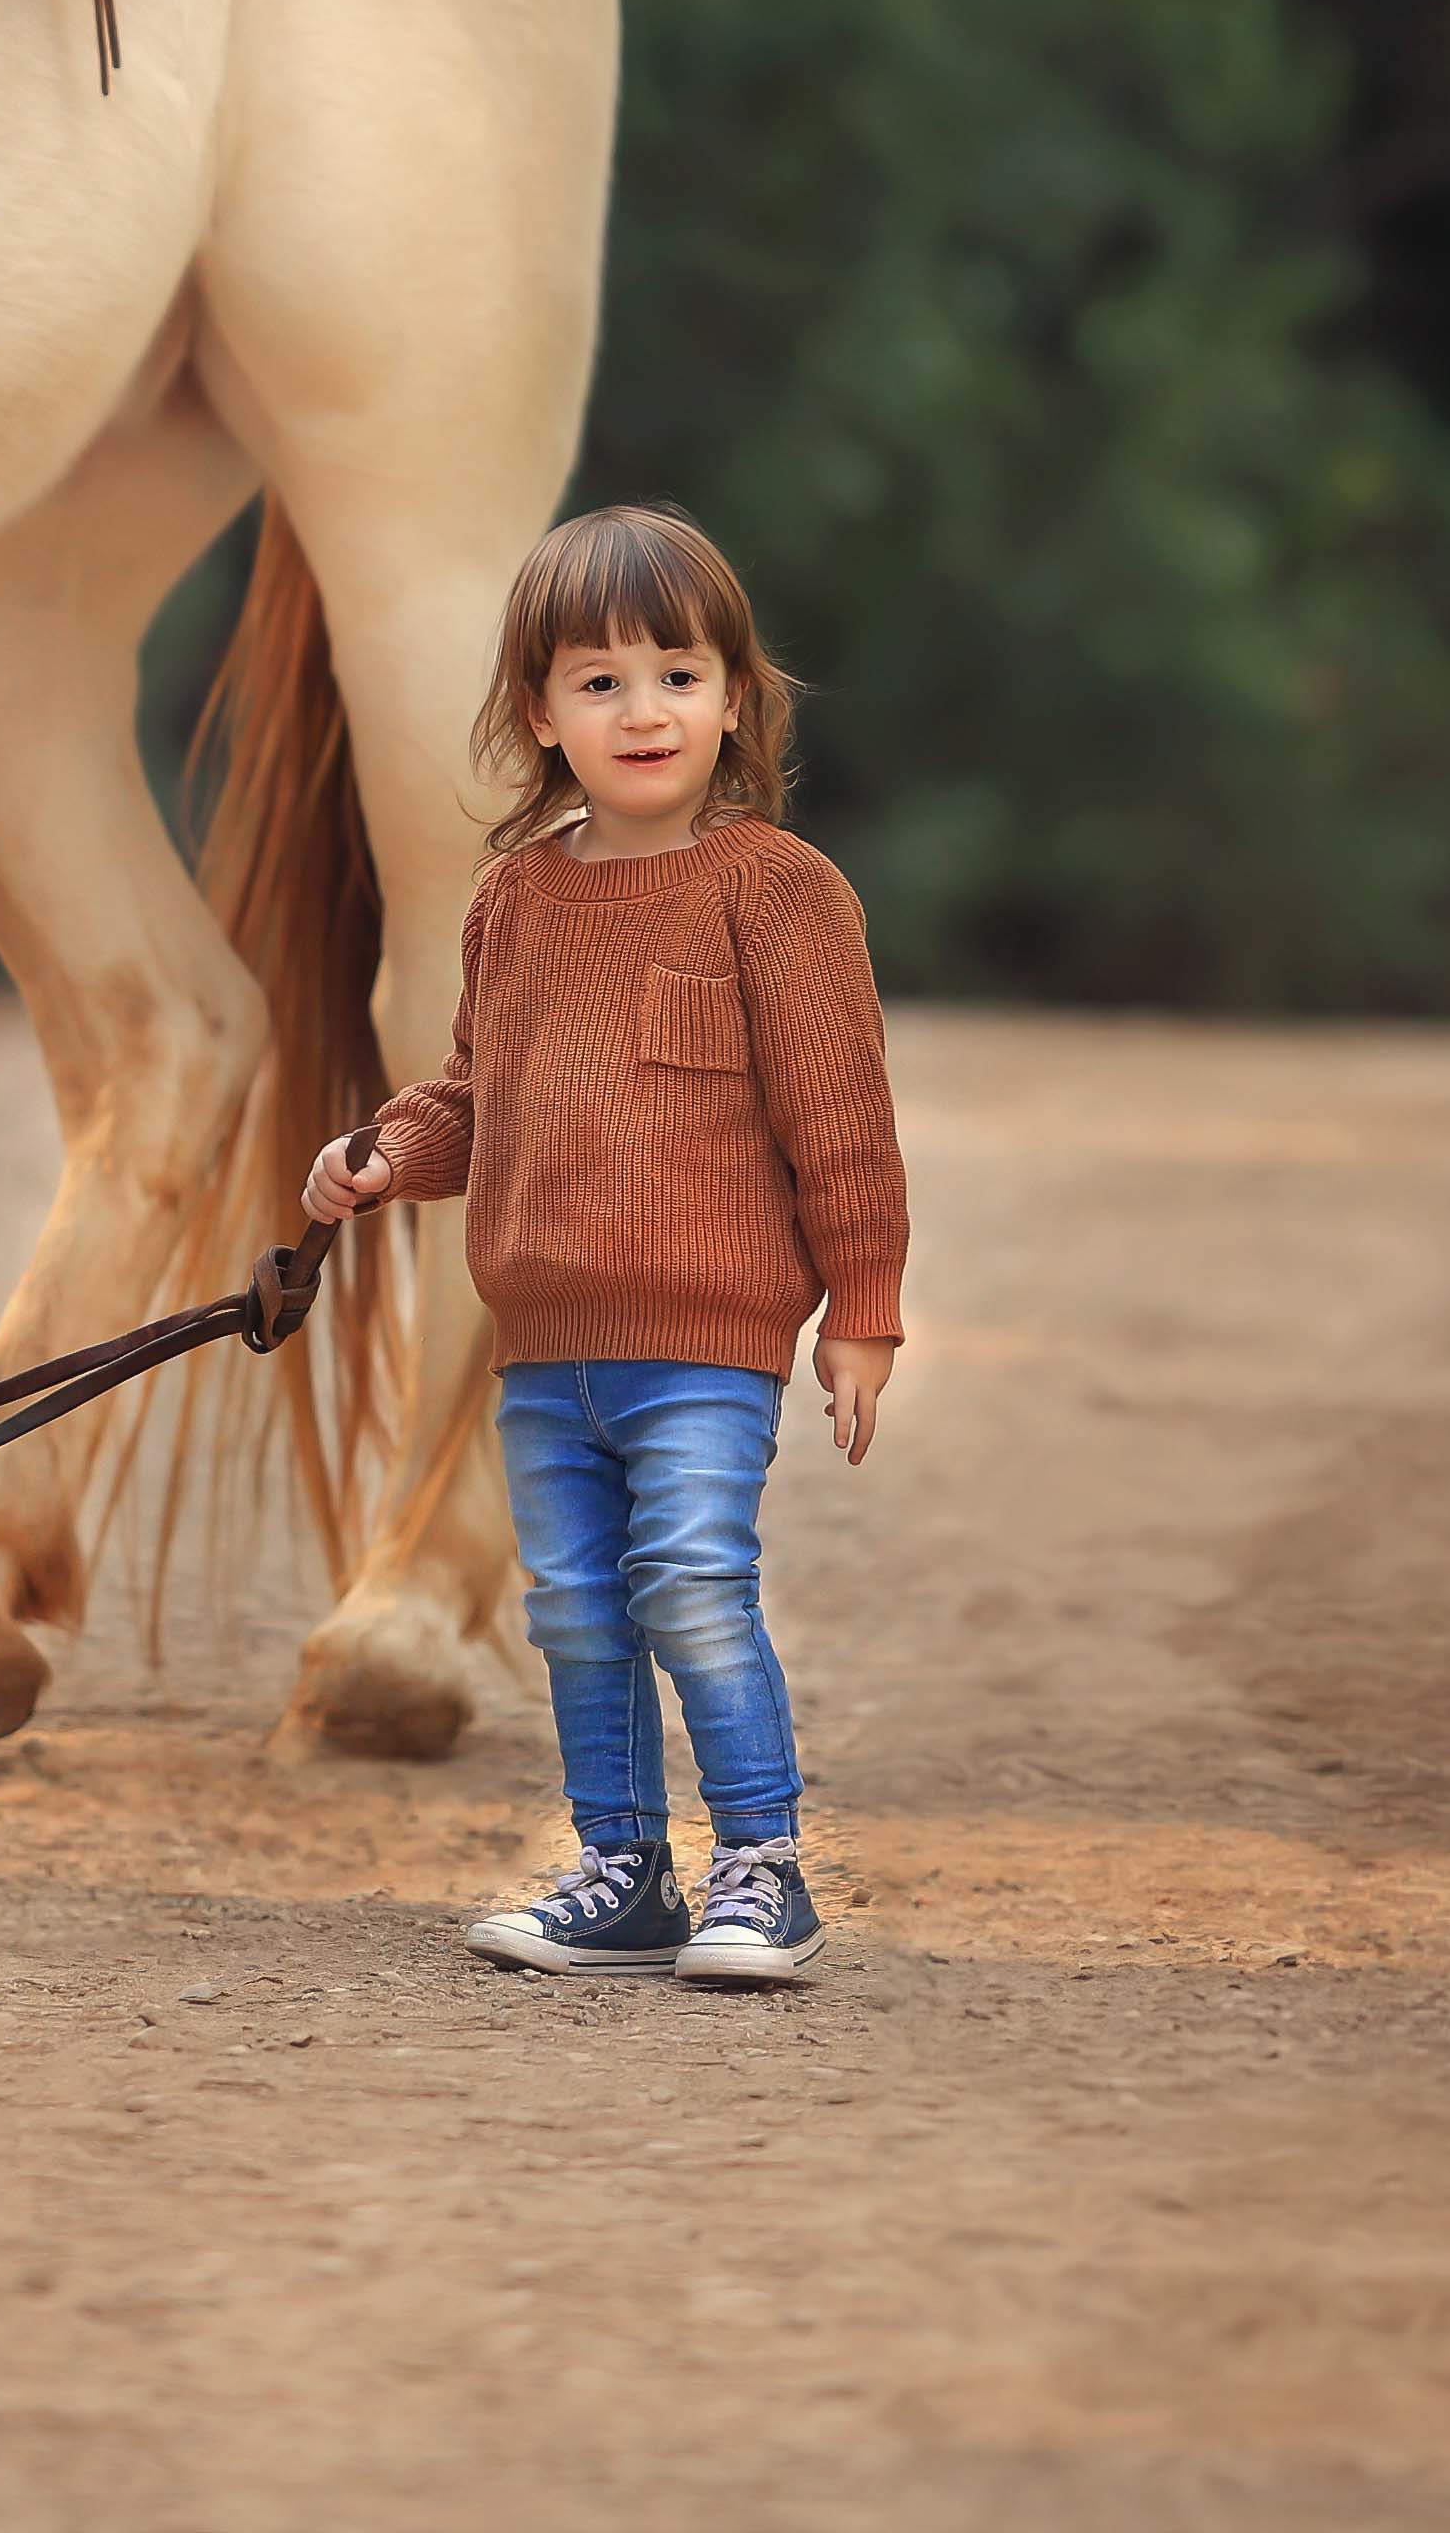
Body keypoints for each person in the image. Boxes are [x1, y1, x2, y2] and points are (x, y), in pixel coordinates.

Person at [300, 503, 905, 1988]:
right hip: (545, 1349)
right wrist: (384, 1156)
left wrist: (864, 1310)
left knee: (692, 1584)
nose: (644, 710)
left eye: (679, 675)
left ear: (735, 699)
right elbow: (475, 1093)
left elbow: (843, 1122)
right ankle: (623, 1873)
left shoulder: (779, 891)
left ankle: (762, 1867)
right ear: (538, 713)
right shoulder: (516, 900)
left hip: (705, 1336)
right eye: (599, 680)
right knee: (575, 1610)